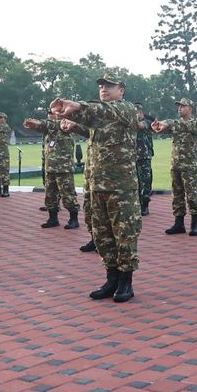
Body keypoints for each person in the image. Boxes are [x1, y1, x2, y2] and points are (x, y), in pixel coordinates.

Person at [52, 72, 140, 302]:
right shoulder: (98, 115)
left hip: (121, 187)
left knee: (124, 234)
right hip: (97, 185)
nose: (104, 89)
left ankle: (125, 282)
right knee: (103, 235)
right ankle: (111, 278)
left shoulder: (126, 109)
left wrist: (78, 105)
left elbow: (101, 111)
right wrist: (71, 119)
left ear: (121, 90)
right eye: (101, 85)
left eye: (109, 86)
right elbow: (91, 123)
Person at [150, 98, 197, 236]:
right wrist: (159, 125)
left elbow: (177, 125)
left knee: (192, 195)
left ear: (190, 108)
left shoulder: (195, 123)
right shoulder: (175, 123)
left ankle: (194, 224)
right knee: (177, 194)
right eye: (178, 106)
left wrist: (166, 123)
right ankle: (179, 223)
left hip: (189, 165)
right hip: (176, 164)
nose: (179, 108)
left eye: (183, 106)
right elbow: (165, 126)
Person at [24, 111, 82, 230]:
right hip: (50, 168)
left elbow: (51, 124)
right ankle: (53, 218)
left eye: (58, 114)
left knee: (68, 194)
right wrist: (34, 125)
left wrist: (39, 123)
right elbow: (44, 126)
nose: (55, 116)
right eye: (53, 113)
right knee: (50, 195)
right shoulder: (49, 130)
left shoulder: (67, 126)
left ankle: (74, 219)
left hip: (63, 169)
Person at [133, 102, 154, 216]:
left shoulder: (146, 122)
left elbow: (141, 126)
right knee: (135, 182)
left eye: (136, 112)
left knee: (145, 182)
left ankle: (145, 205)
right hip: (132, 157)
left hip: (144, 157)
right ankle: (137, 204)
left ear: (140, 113)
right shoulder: (131, 124)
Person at [0, 112, 12, 197]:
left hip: (2, 153)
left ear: (5, 119)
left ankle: (6, 190)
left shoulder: (5, 126)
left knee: (4, 172)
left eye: (1, 118)